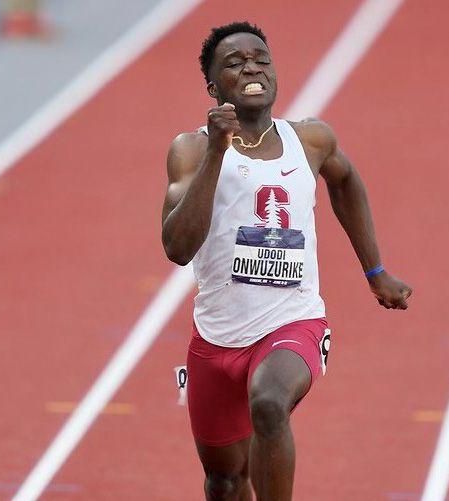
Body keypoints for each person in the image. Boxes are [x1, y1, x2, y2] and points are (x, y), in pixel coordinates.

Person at [161, 21, 412, 501]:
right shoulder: (192, 149)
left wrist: (375, 272)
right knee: (225, 481)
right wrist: (218, 151)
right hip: (217, 337)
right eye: (234, 63)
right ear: (214, 88)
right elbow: (177, 247)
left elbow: (346, 182)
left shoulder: (311, 140)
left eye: (260, 58)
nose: (251, 66)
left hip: (292, 321)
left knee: (270, 403)